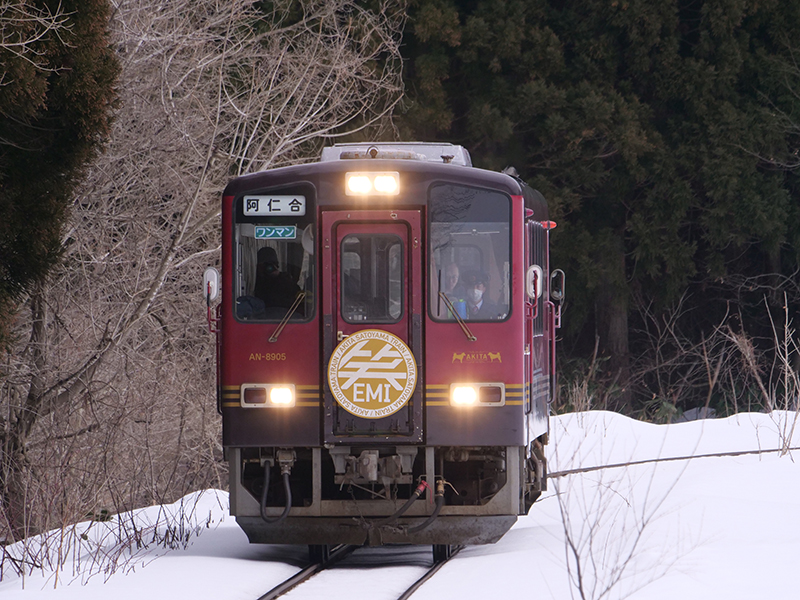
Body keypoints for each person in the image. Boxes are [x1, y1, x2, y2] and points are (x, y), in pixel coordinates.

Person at [253, 246, 301, 312]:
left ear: (276, 265)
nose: (268, 268)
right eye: (263, 266)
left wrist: (278, 276)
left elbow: (295, 296)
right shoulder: (254, 282)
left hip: (285, 315)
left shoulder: (285, 281)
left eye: (270, 265)